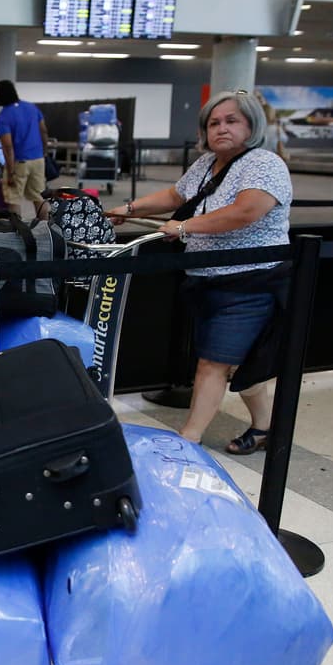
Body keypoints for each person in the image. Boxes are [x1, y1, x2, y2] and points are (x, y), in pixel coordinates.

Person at [105, 90, 292, 455]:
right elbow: (175, 197)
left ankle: (188, 440)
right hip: (206, 279)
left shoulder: (265, 164)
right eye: (214, 123)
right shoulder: (207, 164)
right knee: (239, 365)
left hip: (250, 282)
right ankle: (265, 427)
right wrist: (127, 208)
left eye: (231, 120)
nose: (221, 128)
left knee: (213, 362)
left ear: (252, 125)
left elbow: (245, 211)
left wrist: (187, 227)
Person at [0, 79, 51, 214]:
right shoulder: (32, 107)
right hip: (38, 159)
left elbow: (8, 147)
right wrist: (44, 152)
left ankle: (17, 231)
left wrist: (11, 172)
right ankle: (45, 230)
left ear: (0, 95)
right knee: (39, 197)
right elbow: (43, 130)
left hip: (19, 162)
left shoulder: (3, 117)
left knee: (13, 199)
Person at [255, 92, 288, 164]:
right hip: (272, 159)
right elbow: (284, 140)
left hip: (257, 159)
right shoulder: (276, 129)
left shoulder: (256, 129)